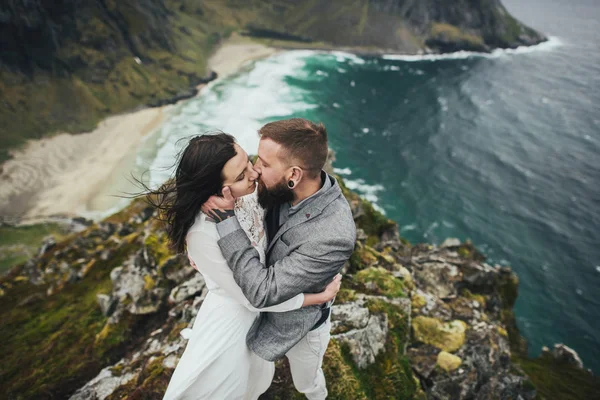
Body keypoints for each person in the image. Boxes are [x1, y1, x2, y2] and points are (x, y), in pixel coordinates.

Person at [149, 133, 341, 400]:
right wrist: (315, 298)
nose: (254, 174)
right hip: (237, 317)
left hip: (262, 305)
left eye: (249, 161)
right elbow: (253, 300)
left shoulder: (246, 194)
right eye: (240, 176)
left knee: (256, 379)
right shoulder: (203, 234)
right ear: (216, 191)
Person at [203, 118, 356, 399]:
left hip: (298, 326)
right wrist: (207, 248)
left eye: (263, 162)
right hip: (250, 313)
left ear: (294, 175)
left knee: (306, 382)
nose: (254, 169)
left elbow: (263, 292)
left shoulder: (333, 235)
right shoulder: (280, 185)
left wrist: (225, 222)